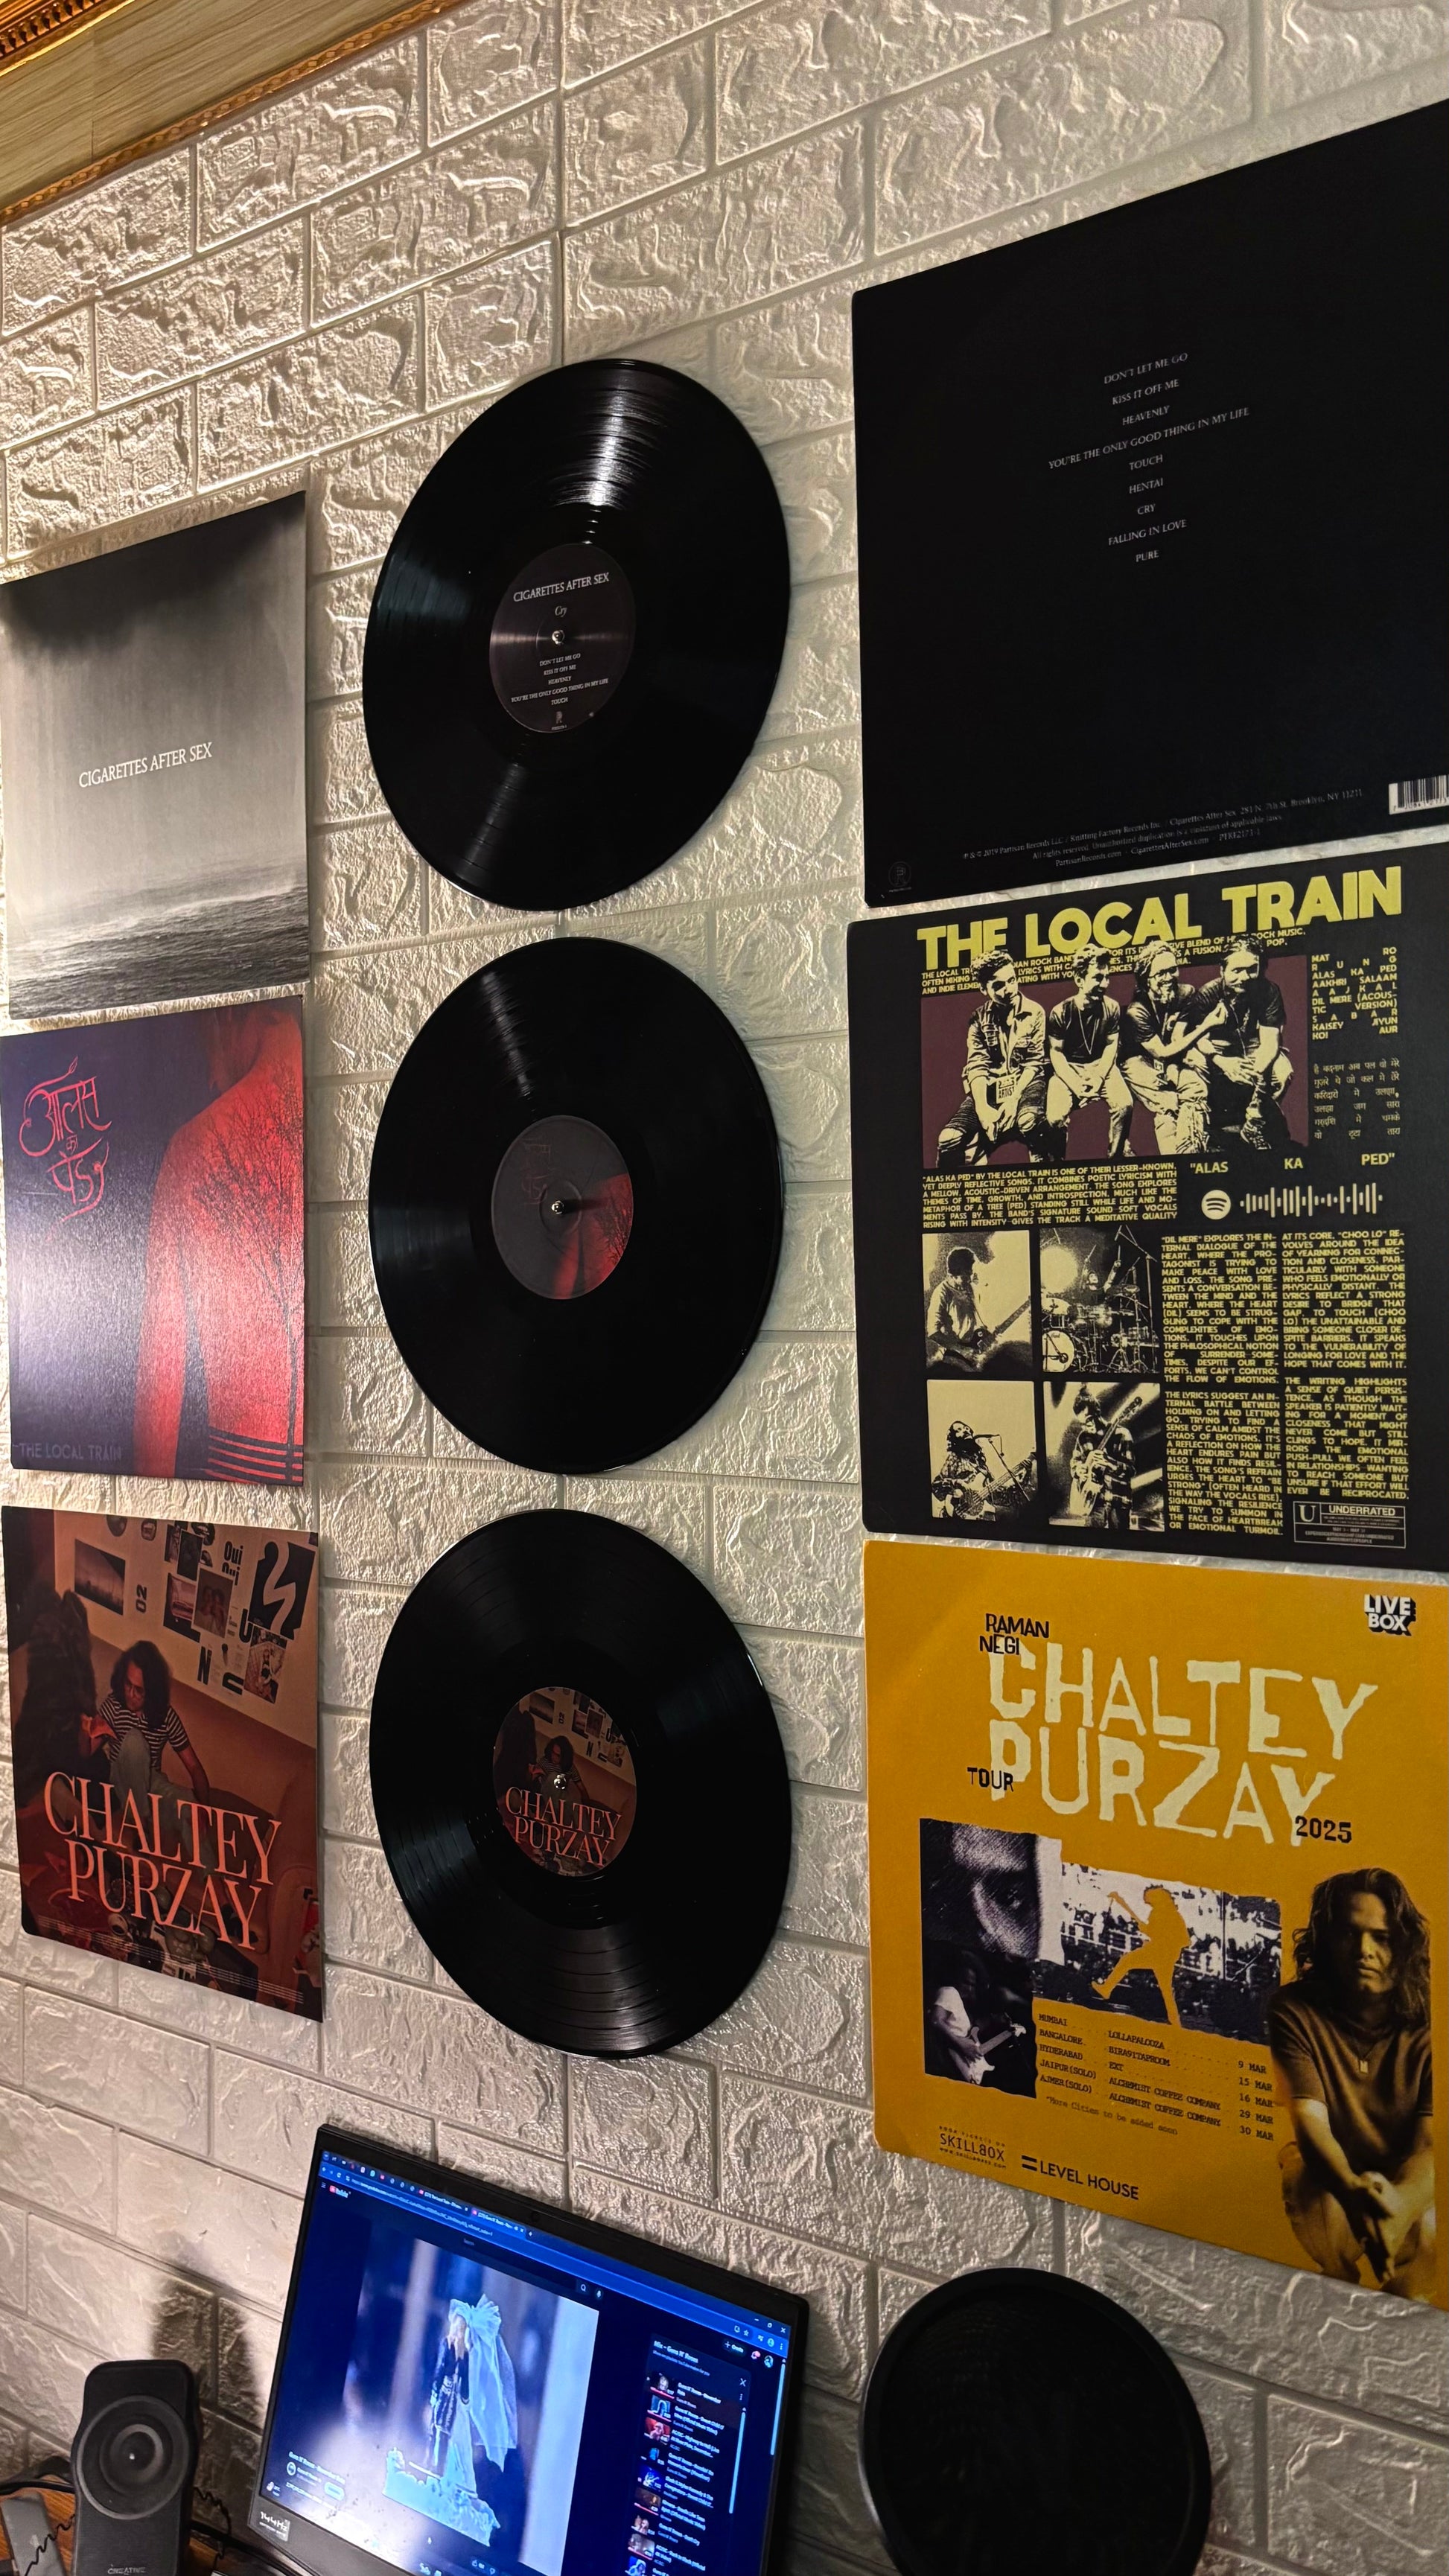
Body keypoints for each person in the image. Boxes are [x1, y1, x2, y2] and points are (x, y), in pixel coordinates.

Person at [133, 1001, 305, 1481]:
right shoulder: (348, 1121)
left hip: (234, 1485)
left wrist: (145, 1511)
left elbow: (161, 1378)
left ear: (223, 1017)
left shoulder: (192, 1150)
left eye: (206, 1047)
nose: (211, 1077)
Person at [1269, 1869, 1434, 2298]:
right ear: (1326, 1942)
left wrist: (1397, 2208)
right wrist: (1350, 2189)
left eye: (1381, 1937)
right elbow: (1310, 2123)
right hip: (1332, 2171)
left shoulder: (1430, 2021)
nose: (1364, 1951)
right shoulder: (1294, 2008)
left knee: (1428, 2232)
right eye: (1348, 1934)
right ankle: (1337, 2291)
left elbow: (1428, 2145)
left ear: (1403, 1945)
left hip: (1407, 2176)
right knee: (1312, 2189)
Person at [920, 1822, 1040, 2097]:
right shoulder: (949, 1994)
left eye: (1012, 1895)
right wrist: (961, 2045)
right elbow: (935, 2021)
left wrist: (1006, 2030)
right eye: (956, 1893)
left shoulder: (975, 2006)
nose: (985, 1932)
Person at [936, 954, 1048, 1168]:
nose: (1009, 989)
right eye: (999, 985)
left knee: (1030, 1122)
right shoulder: (978, 1019)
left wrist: (1014, 1100)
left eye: (1012, 980)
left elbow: (1034, 1063)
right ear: (983, 989)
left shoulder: (1035, 1012)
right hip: (990, 1088)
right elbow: (977, 1065)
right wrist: (983, 1110)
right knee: (948, 1139)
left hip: (1026, 1084)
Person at [1118, 943, 1225, 1155]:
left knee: (1195, 1087)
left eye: (1172, 969)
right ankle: (1174, 1158)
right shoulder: (1136, 1011)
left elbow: (1177, 1039)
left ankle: (1188, 1151)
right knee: (1169, 1103)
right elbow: (1161, 1052)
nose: (1169, 977)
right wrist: (1206, 1026)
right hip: (1136, 1061)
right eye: (1161, 973)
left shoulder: (1186, 993)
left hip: (1171, 1056)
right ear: (1146, 979)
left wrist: (1174, 1068)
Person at [1196, 936, 1294, 1150]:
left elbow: (1270, 1042)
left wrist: (1256, 1071)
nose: (1244, 977)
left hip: (1253, 1047)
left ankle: (1254, 1125)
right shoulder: (1207, 994)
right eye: (1237, 970)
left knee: (1282, 1072)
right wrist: (1222, 1062)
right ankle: (1209, 1132)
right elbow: (1199, 1039)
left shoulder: (1269, 991)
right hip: (1218, 1050)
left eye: (1251, 970)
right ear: (1222, 970)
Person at [1042, 947, 1133, 1160]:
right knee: (1054, 1118)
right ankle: (1056, 1164)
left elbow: (1111, 1045)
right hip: (1068, 1068)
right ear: (1079, 980)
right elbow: (1056, 1053)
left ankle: (1116, 1156)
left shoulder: (1112, 1007)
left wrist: (1099, 1076)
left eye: (1107, 977)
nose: (1105, 984)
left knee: (1125, 1105)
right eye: (1098, 978)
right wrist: (1075, 1084)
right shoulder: (1060, 1011)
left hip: (1102, 1065)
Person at [98, 1641, 210, 1800]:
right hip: (120, 1782)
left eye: (139, 1690)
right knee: (134, 1740)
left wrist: (204, 1808)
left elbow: (193, 1766)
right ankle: (138, 1812)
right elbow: (87, 1750)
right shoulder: (114, 1706)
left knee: (185, 1805)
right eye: (128, 1684)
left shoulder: (165, 1716)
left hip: (152, 1785)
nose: (131, 1694)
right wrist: (84, 1726)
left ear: (152, 1691)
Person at [1094, 1885, 1191, 2026]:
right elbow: (1179, 1939)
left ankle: (1106, 1989)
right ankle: (1175, 2021)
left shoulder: (1160, 1913)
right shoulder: (1172, 1913)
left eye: (1149, 1896)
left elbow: (1169, 1936)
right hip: (1168, 1955)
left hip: (1160, 1953)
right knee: (1166, 1990)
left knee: (1127, 1960)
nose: (1146, 1898)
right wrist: (1153, 1936)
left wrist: (1149, 1932)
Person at [1069, 1387, 1136, 1534]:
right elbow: (1075, 1462)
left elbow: (1130, 1471)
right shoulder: (1083, 1437)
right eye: (1082, 1423)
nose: (1086, 1426)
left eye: (1089, 1419)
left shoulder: (1122, 1435)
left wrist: (1109, 1462)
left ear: (1097, 1412)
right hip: (1093, 1502)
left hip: (1118, 1501)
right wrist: (1078, 1470)